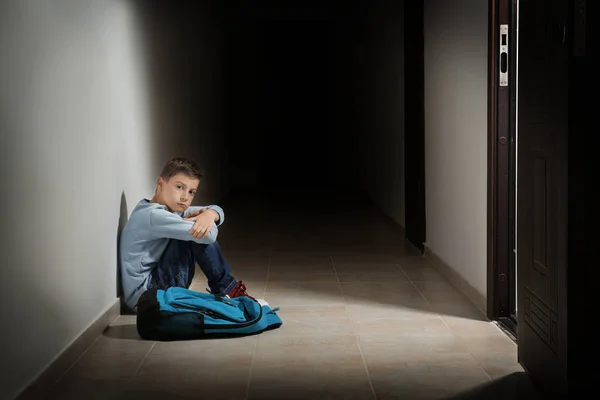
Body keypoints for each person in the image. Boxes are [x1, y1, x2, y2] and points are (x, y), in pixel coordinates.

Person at [119, 157, 258, 312]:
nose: (185, 197)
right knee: (198, 232)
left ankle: (226, 289)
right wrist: (206, 219)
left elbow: (216, 209)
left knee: (196, 227)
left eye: (191, 192)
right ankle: (226, 289)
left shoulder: (162, 209)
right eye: (179, 187)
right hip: (146, 297)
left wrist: (211, 213)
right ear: (160, 184)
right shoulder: (154, 216)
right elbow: (209, 236)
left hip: (151, 288)